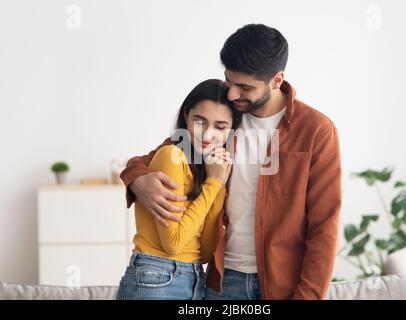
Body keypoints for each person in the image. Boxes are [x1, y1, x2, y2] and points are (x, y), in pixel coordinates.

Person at [120, 24, 342, 300]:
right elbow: (146, 160)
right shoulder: (223, 118)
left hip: (282, 285)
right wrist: (137, 179)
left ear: (276, 80)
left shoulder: (316, 131)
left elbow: (324, 226)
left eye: (245, 87)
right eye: (229, 81)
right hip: (222, 283)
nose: (233, 94)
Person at [116, 79, 241, 300]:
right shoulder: (171, 156)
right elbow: (173, 244)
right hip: (156, 277)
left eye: (220, 127)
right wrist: (213, 186)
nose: (208, 135)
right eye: (200, 121)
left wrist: (218, 186)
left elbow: (204, 252)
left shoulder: (208, 169)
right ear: (186, 115)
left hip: (193, 278)